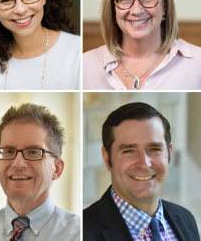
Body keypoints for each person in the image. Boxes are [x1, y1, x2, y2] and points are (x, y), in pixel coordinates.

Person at [83, 102, 200, 240]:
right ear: (107, 157)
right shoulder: (82, 231)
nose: (144, 164)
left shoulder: (186, 219)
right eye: (129, 151)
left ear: (169, 153)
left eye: (154, 149)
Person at [0, 103, 80, 240]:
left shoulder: (78, 234)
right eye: (9, 151)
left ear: (57, 169)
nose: (18, 163)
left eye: (33, 152)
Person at [83, 0, 201, 90]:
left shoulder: (197, 63)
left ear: (165, 6)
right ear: (112, 9)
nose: (137, 10)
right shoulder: (84, 65)